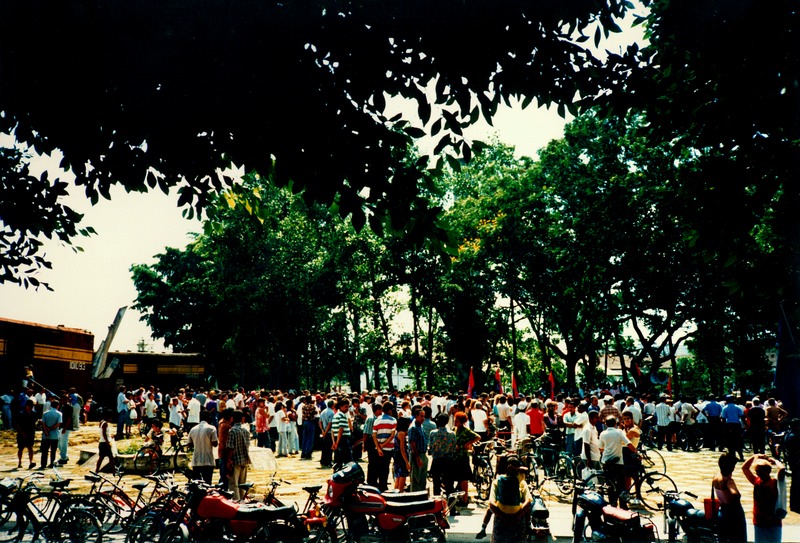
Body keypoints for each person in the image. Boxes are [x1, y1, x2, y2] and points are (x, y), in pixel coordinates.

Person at [486, 455, 532, 543]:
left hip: (501, 522)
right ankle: (529, 525)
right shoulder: (522, 482)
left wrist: (505, 517)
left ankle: (483, 527)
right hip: (518, 523)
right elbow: (528, 502)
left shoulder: (497, 481)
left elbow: (491, 504)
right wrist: (516, 516)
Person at [742, 453, 785, 543]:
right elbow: (745, 468)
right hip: (759, 522)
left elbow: (782, 469)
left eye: (759, 471)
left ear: (767, 471)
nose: (757, 473)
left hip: (773, 522)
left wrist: (774, 461)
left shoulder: (774, 483)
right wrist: (754, 456)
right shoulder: (756, 481)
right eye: (756, 471)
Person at [598, 416, 639, 507]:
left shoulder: (603, 434)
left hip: (606, 462)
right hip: (618, 463)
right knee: (621, 484)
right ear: (615, 424)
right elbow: (629, 444)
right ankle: (623, 505)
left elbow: (600, 448)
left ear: (606, 424)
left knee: (610, 484)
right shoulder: (619, 432)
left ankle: (613, 504)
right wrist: (637, 453)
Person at [712, 452, 747, 543]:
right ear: (729, 466)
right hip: (733, 514)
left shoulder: (716, 477)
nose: (734, 468)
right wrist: (735, 491)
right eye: (733, 465)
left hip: (722, 512)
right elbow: (735, 495)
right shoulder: (728, 481)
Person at [453, 411, 481, 506]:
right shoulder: (454, 429)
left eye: (457, 421)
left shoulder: (465, 430)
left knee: (463, 479)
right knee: (458, 479)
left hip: (463, 457)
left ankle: (465, 500)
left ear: (461, 422)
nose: (455, 422)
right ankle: (461, 497)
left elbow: (478, 437)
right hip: (455, 457)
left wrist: (468, 443)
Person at [226, 410, 252, 501]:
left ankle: (236, 502)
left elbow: (230, 448)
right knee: (242, 484)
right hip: (245, 460)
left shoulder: (232, 431)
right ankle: (242, 501)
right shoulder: (246, 430)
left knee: (234, 484)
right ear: (242, 419)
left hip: (235, 461)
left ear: (233, 418)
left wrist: (228, 461)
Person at [372, 401, 398, 492]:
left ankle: (379, 486)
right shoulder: (393, 420)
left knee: (379, 467)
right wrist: (383, 444)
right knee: (385, 468)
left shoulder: (377, 420)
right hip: (388, 448)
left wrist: (379, 447)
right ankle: (383, 486)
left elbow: (374, 435)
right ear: (390, 410)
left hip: (378, 448)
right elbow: (392, 435)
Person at [188, 411, 218, 484]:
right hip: (208, 461)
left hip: (196, 461)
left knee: (197, 485)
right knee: (207, 484)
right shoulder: (212, 428)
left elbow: (189, 444)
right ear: (209, 418)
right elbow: (215, 444)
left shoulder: (193, 429)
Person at [408, 408, 429, 493]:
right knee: (416, 478)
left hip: (423, 454)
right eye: (421, 416)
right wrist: (417, 458)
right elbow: (412, 443)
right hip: (417, 454)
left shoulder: (421, 426)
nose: (423, 418)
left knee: (422, 478)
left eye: (424, 416)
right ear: (416, 416)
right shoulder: (413, 427)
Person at [331, 398, 353, 470]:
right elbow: (341, 430)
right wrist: (337, 443)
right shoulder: (342, 416)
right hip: (343, 439)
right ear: (340, 406)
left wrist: (334, 442)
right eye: (346, 407)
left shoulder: (335, 415)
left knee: (338, 459)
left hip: (337, 438)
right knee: (348, 460)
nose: (347, 409)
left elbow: (332, 430)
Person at [40, 398, 61, 469]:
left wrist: (46, 430)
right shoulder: (59, 414)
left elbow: (43, 423)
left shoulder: (45, 413)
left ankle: (43, 464)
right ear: (58, 406)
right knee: (53, 451)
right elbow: (58, 424)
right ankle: (52, 463)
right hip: (55, 435)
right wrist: (51, 428)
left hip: (45, 435)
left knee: (44, 451)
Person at [16, 399, 37, 470]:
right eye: (29, 406)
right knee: (20, 448)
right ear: (26, 406)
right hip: (22, 433)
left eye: (31, 406)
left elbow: (35, 422)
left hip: (30, 433)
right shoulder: (21, 413)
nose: (30, 407)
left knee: (30, 448)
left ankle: (31, 462)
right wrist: (21, 432)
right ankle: (19, 462)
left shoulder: (34, 413)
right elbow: (18, 424)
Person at [217, 408, 234, 488]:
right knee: (225, 476)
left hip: (221, 451)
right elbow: (227, 443)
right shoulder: (227, 426)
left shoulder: (221, 423)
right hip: (225, 453)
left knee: (223, 474)